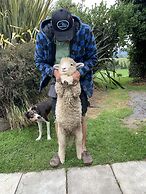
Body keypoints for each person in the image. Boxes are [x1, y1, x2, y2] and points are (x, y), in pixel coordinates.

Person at [35, 8, 97, 167]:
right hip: (56, 79)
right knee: (58, 116)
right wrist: (53, 72)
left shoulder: (84, 31)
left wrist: (79, 72)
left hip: (79, 80)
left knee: (81, 114)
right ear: (53, 28)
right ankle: (60, 150)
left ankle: (82, 149)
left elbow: (93, 57)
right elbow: (39, 62)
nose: (66, 40)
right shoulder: (43, 36)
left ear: (73, 25)